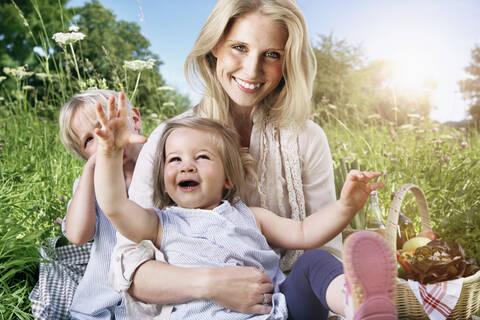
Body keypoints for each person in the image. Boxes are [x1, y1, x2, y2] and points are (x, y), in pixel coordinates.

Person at [112, 0, 346, 316]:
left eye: (272, 54)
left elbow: (324, 252)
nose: (251, 70)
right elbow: (130, 267)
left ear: (288, 62)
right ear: (215, 46)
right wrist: (212, 284)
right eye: (239, 47)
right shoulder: (171, 139)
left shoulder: (307, 138)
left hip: (281, 305)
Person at [94, 101, 397, 319]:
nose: (186, 165)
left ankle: (359, 304)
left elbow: (305, 232)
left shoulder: (249, 215)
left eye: (201, 157)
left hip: (279, 311)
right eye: (175, 160)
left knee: (313, 262)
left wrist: (345, 207)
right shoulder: (161, 224)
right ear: (163, 178)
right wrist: (110, 153)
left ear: (228, 177)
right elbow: (116, 207)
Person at [57, 89, 142, 319]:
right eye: (89, 140)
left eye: (110, 123)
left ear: (135, 120)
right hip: (98, 303)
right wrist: (90, 169)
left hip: (151, 300)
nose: (105, 137)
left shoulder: (161, 167)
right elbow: (77, 235)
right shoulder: (91, 184)